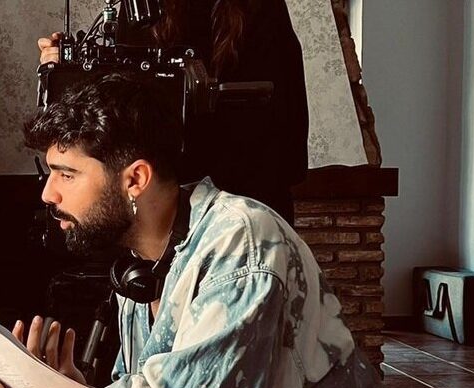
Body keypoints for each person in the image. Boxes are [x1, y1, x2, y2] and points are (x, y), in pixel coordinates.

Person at [0, 73, 412, 388]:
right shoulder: (140, 264)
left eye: (66, 174)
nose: (48, 194)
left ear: (135, 179)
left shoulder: (241, 241)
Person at [37, 0, 308, 223]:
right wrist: (64, 69)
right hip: (161, 197)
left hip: (246, 198)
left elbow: (285, 123)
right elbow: (120, 98)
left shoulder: (259, 9)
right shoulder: (142, 9)